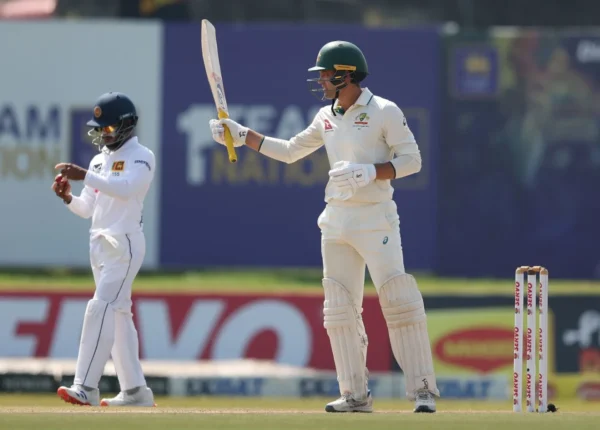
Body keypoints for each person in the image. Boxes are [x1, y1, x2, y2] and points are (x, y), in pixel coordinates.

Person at [209, 41, 439, 413]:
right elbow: (289, 151)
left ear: (345, 74)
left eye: (325, 74)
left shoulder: (384, 111)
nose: (320, 81)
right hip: (336, 218)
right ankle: (355, 395)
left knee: (398, 300)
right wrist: (242, 135)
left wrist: (370, 172)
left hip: (375, 215)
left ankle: (423, 390)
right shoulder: (325, 116)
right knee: (339, 308)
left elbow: (412, 160)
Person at [52, 92, 156, 407]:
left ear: (127, 125)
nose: (103, 135)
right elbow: (87, 208)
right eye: (100, 129)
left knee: (100, 308)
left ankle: (86, 385)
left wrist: (85, 174)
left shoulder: (142, 156)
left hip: (124, 243)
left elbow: (127, 189)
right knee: (119, 315)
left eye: (108, 129)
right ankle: (136, 392)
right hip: (99, 246)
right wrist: (69, 198)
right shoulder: (99, 160)